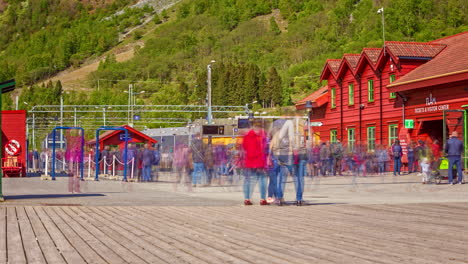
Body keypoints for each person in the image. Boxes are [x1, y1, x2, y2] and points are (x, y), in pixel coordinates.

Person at [242, 120, 268, 205]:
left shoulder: (247, 136)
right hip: (259, 162)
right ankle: (263, 199)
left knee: (249, 181)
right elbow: (265, 149)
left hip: (249, 162)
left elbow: (244, 147)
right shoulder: (262, 136)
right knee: (263, 179)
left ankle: (247, 199)